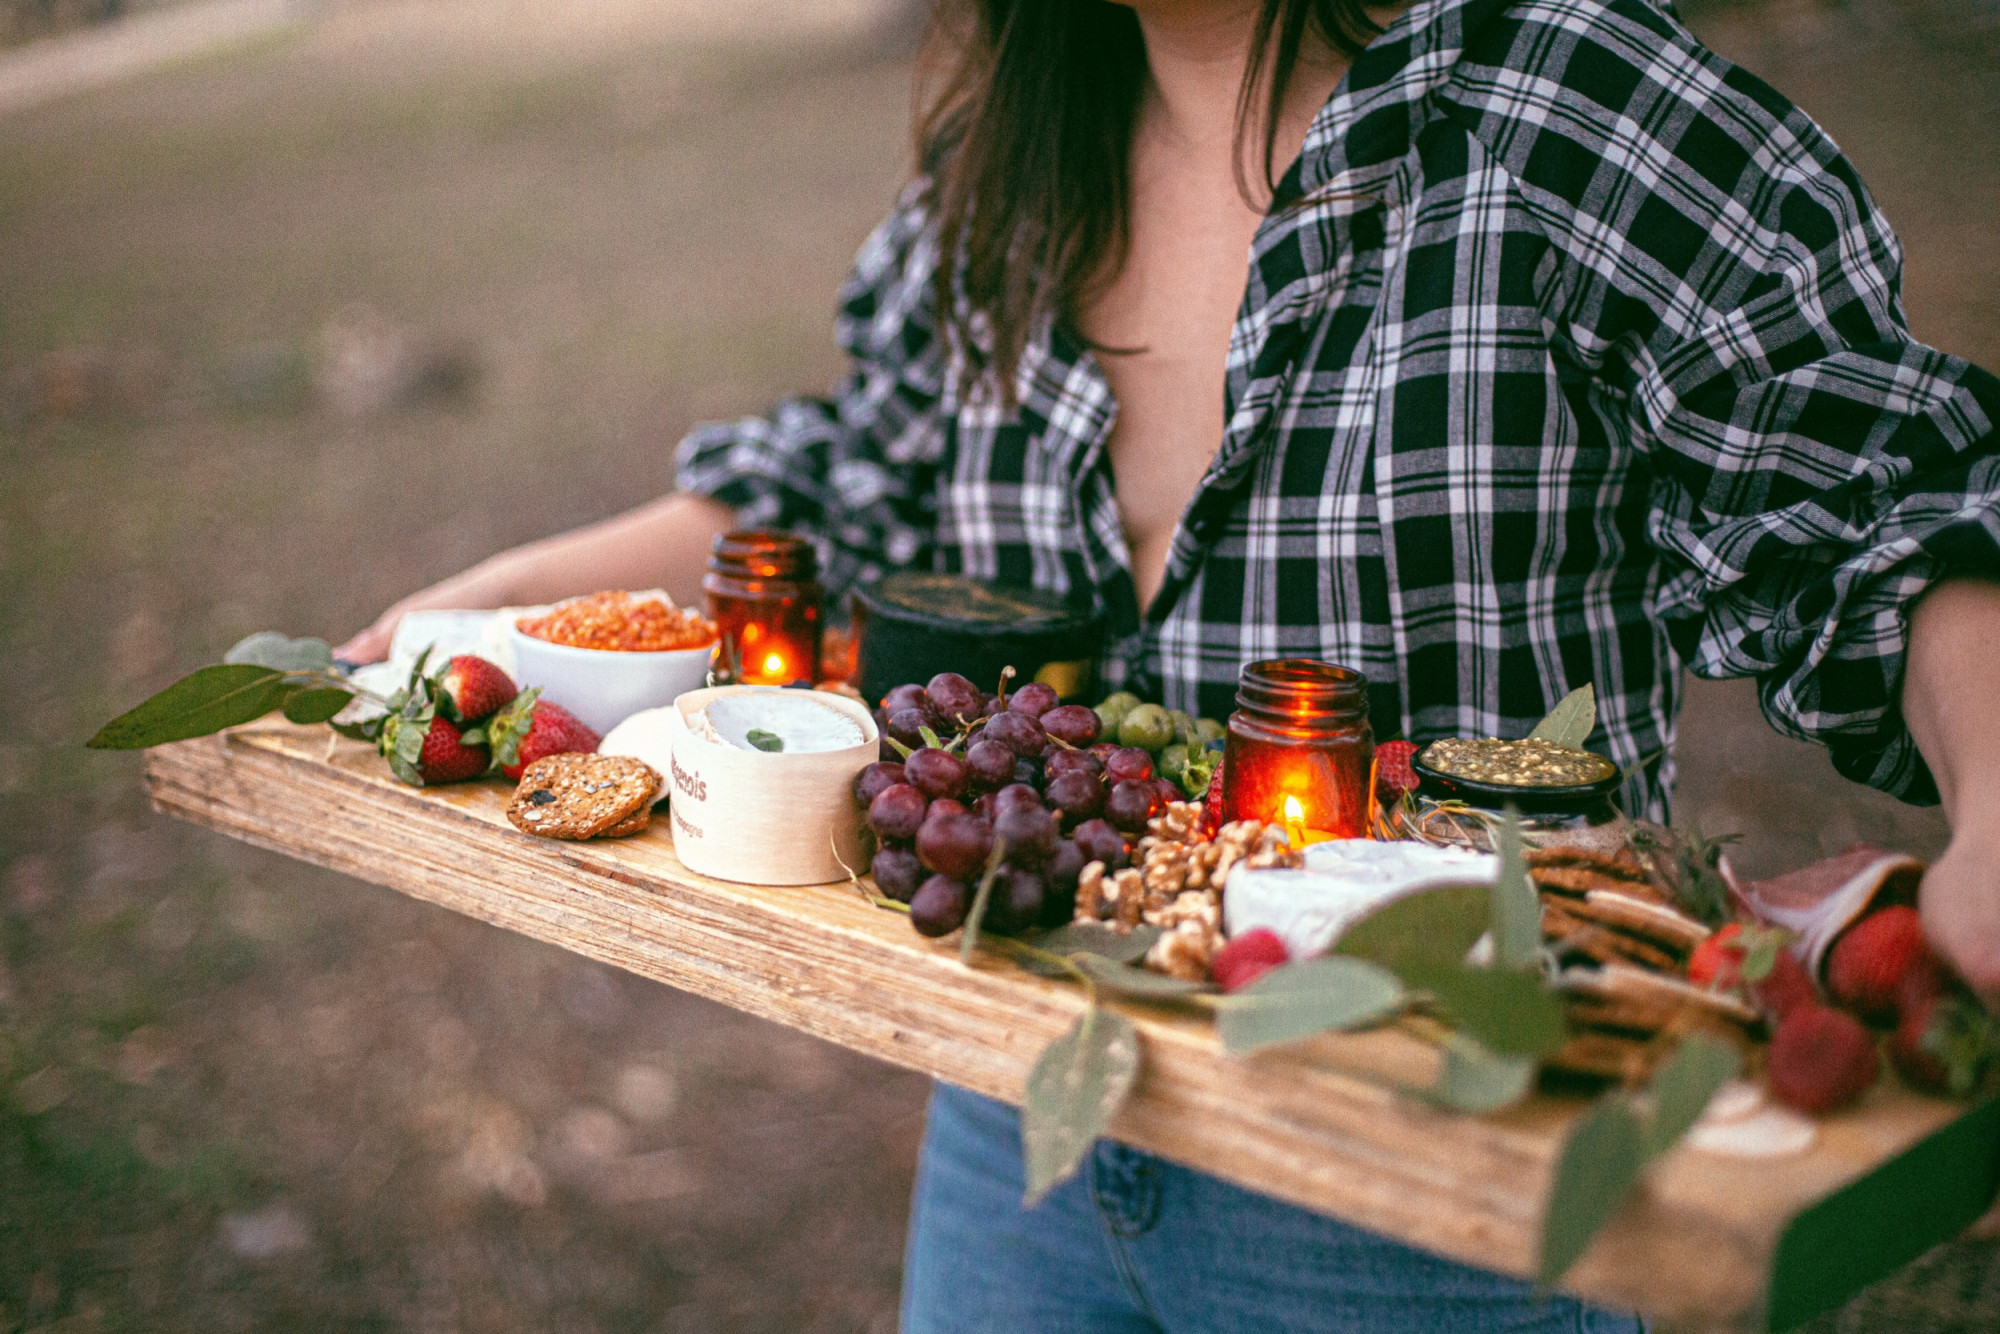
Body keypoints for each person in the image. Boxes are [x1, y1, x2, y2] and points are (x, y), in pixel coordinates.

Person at [342, 0, 2000, 1327]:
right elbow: (840, 478)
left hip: (1432, 1182)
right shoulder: (1000, 176)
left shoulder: (1566, 110)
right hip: (1022, 1129)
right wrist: (488, 608)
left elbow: (1879, 501)